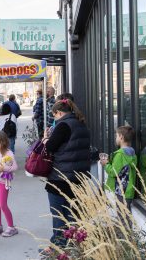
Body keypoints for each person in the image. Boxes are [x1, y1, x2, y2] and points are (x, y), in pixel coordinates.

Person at [42, 99, 90, 247]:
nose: (54, 119)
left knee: (59, 215)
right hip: (79, 177)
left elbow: (51, 146)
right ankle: (74, 246)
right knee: (73, 214)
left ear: (60, 113)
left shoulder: (63, 125)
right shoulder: (81, 123)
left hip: (60, 177)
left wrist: (45, 139)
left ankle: (59, 246)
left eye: (54, 115)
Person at [100, 126, 137, 212]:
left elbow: (113, 172)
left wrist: (106, 164)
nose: (115, 138)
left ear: (121, 137)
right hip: (128, 191)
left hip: (120, 192)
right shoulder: (132, 154)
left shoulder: (120, 155)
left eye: (116, 136)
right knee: (125, 216)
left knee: (123, 219)